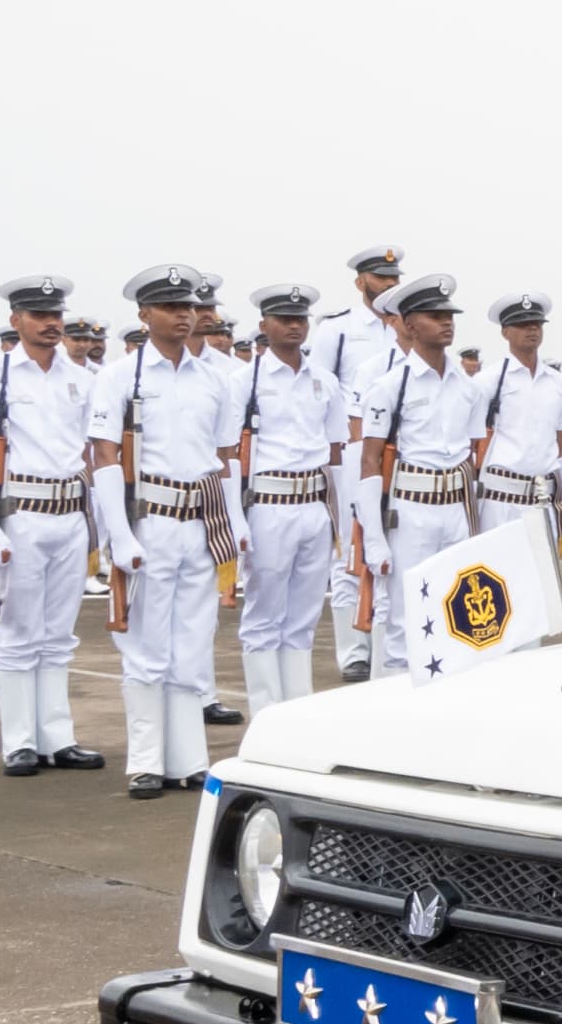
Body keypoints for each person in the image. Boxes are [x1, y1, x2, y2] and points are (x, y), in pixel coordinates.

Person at [93, 265, 241, 799]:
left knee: (191, 645)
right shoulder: (121, 376)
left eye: (190, 308)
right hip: (150, 518)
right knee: (146, 649)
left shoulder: (214, 378)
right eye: (172, 307)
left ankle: (189, 759)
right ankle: (146, 760)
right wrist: (120, 533)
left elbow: (225, 458)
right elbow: (105, 456)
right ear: (144, 314)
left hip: (201, 522)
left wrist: (234, 521)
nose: (185, 316)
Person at [0, 274, 103, 775]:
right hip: (21, 512)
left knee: (60, 632)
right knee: (20, 633)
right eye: (39, 316)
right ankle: (19, 740)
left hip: (70, 511)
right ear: (15, 320)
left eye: (55, 316)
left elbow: (94, 453)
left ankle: (58, 736)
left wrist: (100, 527)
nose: (50, 324)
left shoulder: (84, 379)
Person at [230, 283, 342, 709]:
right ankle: (265, 711)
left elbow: (335, 454)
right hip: (268, 504)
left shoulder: (324, 381)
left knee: (304, 618)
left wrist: (342, 522)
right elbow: (229, 454)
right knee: (263, 616)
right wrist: (236, 519)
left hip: (313, 504)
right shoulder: (245, 381)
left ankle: (297, 709)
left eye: (300, 319)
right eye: (284, 319)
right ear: (264, 326)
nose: (294, 327)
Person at [354, 272, 479, 620]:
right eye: (435, 317)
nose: (446, 323)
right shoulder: (389, 387)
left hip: (456, 509)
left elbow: (472, 457)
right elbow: (370, 462)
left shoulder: (469, 388)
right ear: (409, 325)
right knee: (405, 619)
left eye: (449, 316)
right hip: (410, 511)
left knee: (455, 616)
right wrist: (374, 538)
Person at [320, 245, 404, 678]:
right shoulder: (338, 330)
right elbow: (322, 394)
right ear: (360, 282)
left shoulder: (408, 329)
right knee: (351, 554)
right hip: (353, 451)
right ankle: (354, 651)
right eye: (381, 277)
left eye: (393, 278)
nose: (389, 284)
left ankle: (392, 647)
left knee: (395, 552)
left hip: (401, 455)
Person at [469, 294, 562, 541]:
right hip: (500, 500)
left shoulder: (560, 384)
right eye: (522, 324)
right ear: (505, 332)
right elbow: (471, 445)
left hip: (543, 500)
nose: (532, 329)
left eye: (537, 324)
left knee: (542, 578)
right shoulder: (488, 382)